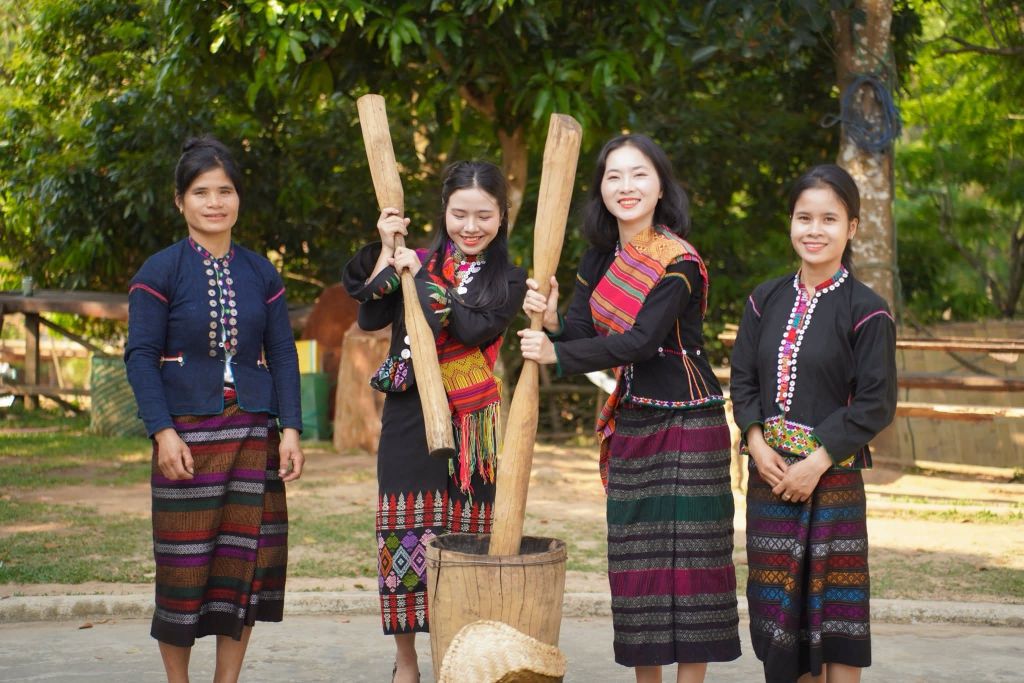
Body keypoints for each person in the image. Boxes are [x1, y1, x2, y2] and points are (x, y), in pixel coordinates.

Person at [519, 134, 740, 683]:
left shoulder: (678, 259)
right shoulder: (598, 258)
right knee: (635, 560)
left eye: (639, 174)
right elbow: (580, 331)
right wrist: (552, 322)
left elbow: (641, 342)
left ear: (661, 186)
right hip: (635, 418)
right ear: (600, 188)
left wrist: (556, 354)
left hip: (691, 419)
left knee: (694, 561)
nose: (626, 186)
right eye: (613, 176)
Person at [125, 136, 304, 683]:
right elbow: (140, 356)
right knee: (182, 570)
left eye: (225, 191)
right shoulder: (160, 271)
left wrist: (291, 430)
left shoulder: (261, 273)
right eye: (201, 192)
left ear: (238, 198)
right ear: (180, 201)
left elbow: (282, 354)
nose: (214, 202)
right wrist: (162, 432)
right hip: (187, 438)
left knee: (242, 568)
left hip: (253, 433)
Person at [342, 160, 527, 683]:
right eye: (459, 214)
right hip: (408, 410)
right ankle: (406, 663)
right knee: (403, 532)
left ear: (502, 216)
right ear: (444, 211)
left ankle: (462, 658)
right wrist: (387, 250)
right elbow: (369, 315)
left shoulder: (510, 278)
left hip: (472, 422)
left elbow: (471, 328)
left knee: (469, 537)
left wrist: (419, 278)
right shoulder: (413, 259)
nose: (471, 226)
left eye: (484, 216)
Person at [729, 164, 898, 683]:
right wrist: (757, 444)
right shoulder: (764, 299)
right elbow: (743, 379)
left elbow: (875, 402)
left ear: (852, 227)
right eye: (804, 217)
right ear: (791, 223)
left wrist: (816, 463)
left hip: (833, 481)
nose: (815, 230)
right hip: (770, 480)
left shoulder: (868, 310)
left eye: (830, 219)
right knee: (780, 613)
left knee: (835, 611)